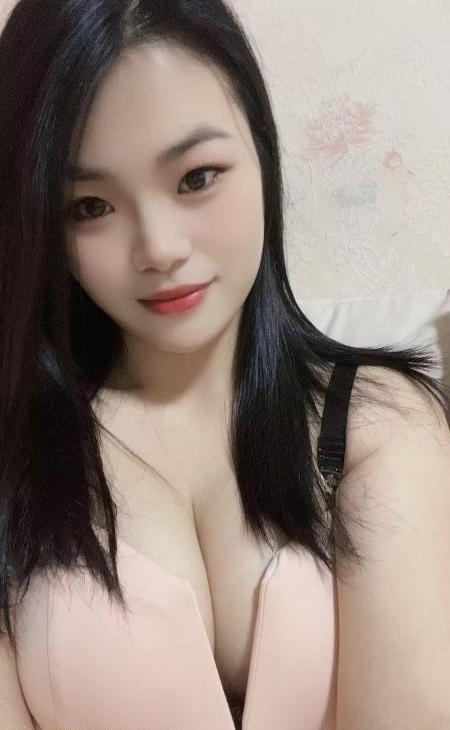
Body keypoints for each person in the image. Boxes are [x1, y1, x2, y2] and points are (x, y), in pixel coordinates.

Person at [0, 1, 449, 729]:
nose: (159, 247)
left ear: (262, 150)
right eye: (88, 207)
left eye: (196, 177)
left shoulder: (377, 422)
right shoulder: (19, 457)